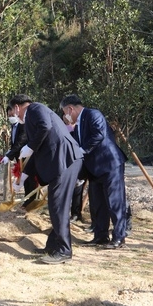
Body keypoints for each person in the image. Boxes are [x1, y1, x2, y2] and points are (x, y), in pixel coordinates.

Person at [9, 94, 83, 264]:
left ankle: (64, 250)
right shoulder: (31, 120)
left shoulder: (35, 109)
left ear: (17, 107)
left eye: (13, 111)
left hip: (66, 160)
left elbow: (45, 127)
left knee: (58, 206)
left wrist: (30, 146)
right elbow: (37, 152)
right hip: (61, 162)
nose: (14, 115)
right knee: (55, 206)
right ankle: (53, 246)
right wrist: (22, 178)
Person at [60, 94, 128, 249]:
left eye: (65, 112)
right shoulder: (76, 125)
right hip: (93, 169)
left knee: (114, 202)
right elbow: (74, 145)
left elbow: (98, 135)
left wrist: (82, 150)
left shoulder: (93, 114)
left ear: (70, 108)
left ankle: (119, 237)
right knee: (97, 204)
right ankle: (100, 236)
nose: (65, 116)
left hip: (109, 164)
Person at [0, 105, 37, 207]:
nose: (11, 116)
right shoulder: (13, 126)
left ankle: (32, 201)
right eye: (9, 115)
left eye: (13, 114)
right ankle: (27, 200)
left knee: (30, 179)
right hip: (20, 157)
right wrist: (10, 152)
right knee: (25, 180)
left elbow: (20, 142)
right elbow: (14, 143)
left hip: (29, 156)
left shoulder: (23, 125)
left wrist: (9, 156)